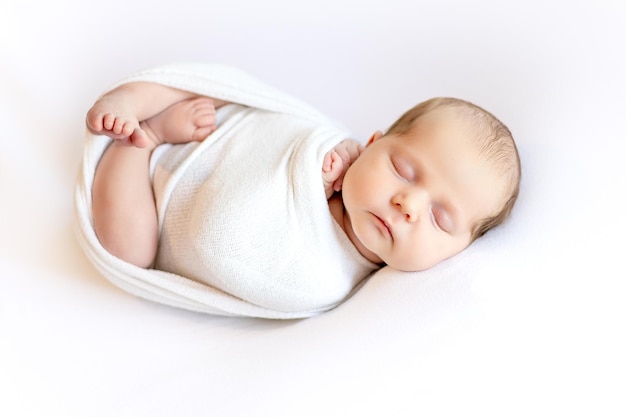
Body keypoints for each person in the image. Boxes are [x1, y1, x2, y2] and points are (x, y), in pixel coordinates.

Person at [86, 80, 520, 277]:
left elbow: (228, 245)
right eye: (402, 170)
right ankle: (135, 98)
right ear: (372, 144)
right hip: (215, 133)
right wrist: (327, 167)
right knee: (212, 90)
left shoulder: (333, 279)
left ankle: (140, 142)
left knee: (128, 250)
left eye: (441, 219)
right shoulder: (328, 149)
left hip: (154, 210)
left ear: (460, 251)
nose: (408, 204)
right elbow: (277, 126)